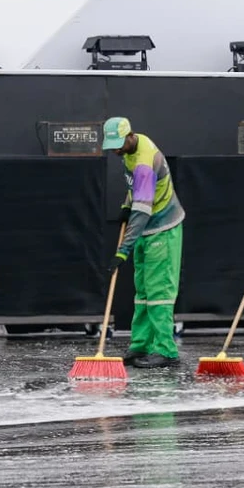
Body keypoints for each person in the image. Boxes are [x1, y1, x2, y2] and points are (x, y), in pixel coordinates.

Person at [102, 117, 185, 368]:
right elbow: (134, 193)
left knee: (159, 292)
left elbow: (142, 210)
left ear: (130, 136)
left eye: (118, 144)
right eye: (111, 146)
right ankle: (141, 345)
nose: (115, 150)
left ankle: (166, 350)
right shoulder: (130, 151)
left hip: (162, 227)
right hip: (146, 229)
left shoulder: (144, 162)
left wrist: (123, 249)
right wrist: (126, 205)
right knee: (143, 292)